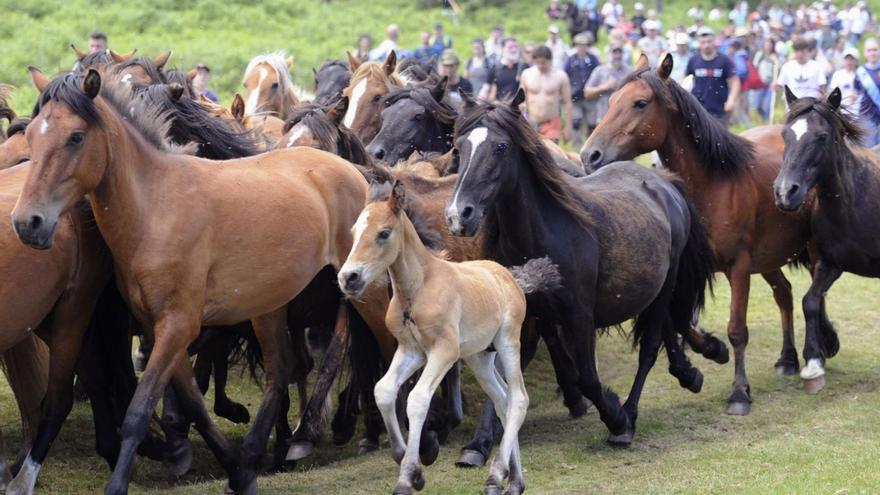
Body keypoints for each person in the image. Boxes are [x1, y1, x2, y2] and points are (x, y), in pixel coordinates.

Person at [685, 26, 740, 125]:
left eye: (709, 42)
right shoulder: (694, 60)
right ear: (699, 43)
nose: (706, 45)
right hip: (698, 109)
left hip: (719, 109)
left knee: (720, 139)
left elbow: (735, 80)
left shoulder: (724, 60)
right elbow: (684, 78)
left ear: (714, 41)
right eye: (703, 42)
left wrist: (731, 100)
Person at [520, 45, 573, 142]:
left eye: (543, 63)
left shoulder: (560, 76)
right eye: (537, 63)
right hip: (531, 122)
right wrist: (521, 109)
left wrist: (568, 127)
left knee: (550, 154)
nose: (540, 65)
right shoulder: (527, 74)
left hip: (551, 123)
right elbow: (521, 98)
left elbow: (567, 102)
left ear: (550, 60)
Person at [565, 32, 601, 147]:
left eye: (584, 45)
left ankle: (591, 145)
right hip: (575, 96)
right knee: (576, 121)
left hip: (590, 97)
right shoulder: (571, 60)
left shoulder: (593, 59)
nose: (582, 47)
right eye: (579, 45)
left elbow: (599, 73)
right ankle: (577, 146)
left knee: (592, 123)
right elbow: (565, 75)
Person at [584, 45, 630, 124]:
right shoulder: (600, 70)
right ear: (608, 54)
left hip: (624, 118)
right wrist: (604, 87)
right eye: (614, 53)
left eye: (620, 53)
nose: (617, 56)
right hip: (603, 116)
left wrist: (621, 88)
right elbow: (587, 93)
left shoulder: (629, 71)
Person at [480, 37, 528, 102]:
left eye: (516, 47)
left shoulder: (524, 66)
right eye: (510, 47)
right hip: (501, 108)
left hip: (519, 108)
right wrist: (479, 102)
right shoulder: (496, 67)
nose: (514, 50)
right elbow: (486, 88)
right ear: (502, 49)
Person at [854, 38, 880, 147]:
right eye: (869, 50)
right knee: (870, 151)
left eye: (875, 50)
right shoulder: (860, 72)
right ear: (865, 53)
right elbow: (856, 92)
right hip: (867, 116)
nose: (872, 53)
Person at [829, 47, 862, 116]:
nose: (849, 62)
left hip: (859, 113)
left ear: (857, 61)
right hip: (841, 113)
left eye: (852, 59)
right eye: (847, 59)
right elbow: (832, 92)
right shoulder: (838, 74)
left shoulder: (861, 74)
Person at [752, 37, 779, 121]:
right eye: (766, 44)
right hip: (760, 83)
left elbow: (779, 68)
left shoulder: (775, 56)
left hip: (770, 84)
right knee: (757, 105)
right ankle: (762, 116)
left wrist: (775, 61)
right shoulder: (760, 54)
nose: (768, 46)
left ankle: (766, 121)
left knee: (768, 105)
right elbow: (754, 66)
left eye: (770, 44)